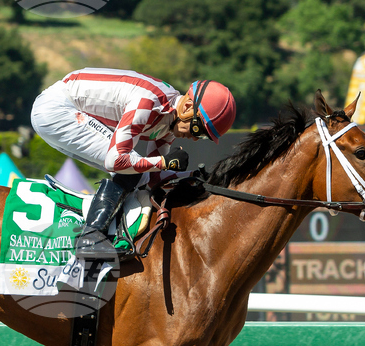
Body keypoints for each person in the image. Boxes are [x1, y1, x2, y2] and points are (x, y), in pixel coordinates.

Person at [30, 68, 236, 258]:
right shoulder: (149, 103)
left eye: (202, 137)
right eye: (198, 130)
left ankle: (98, 233)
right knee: (129, 167)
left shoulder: (168, 121)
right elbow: (117, 160)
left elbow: (153, 177)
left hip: (61, 108)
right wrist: (164, 161)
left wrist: (194, 176)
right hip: (57, 108)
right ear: (188, 107)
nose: (193, 138)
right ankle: (90, 237)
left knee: (138, 173)